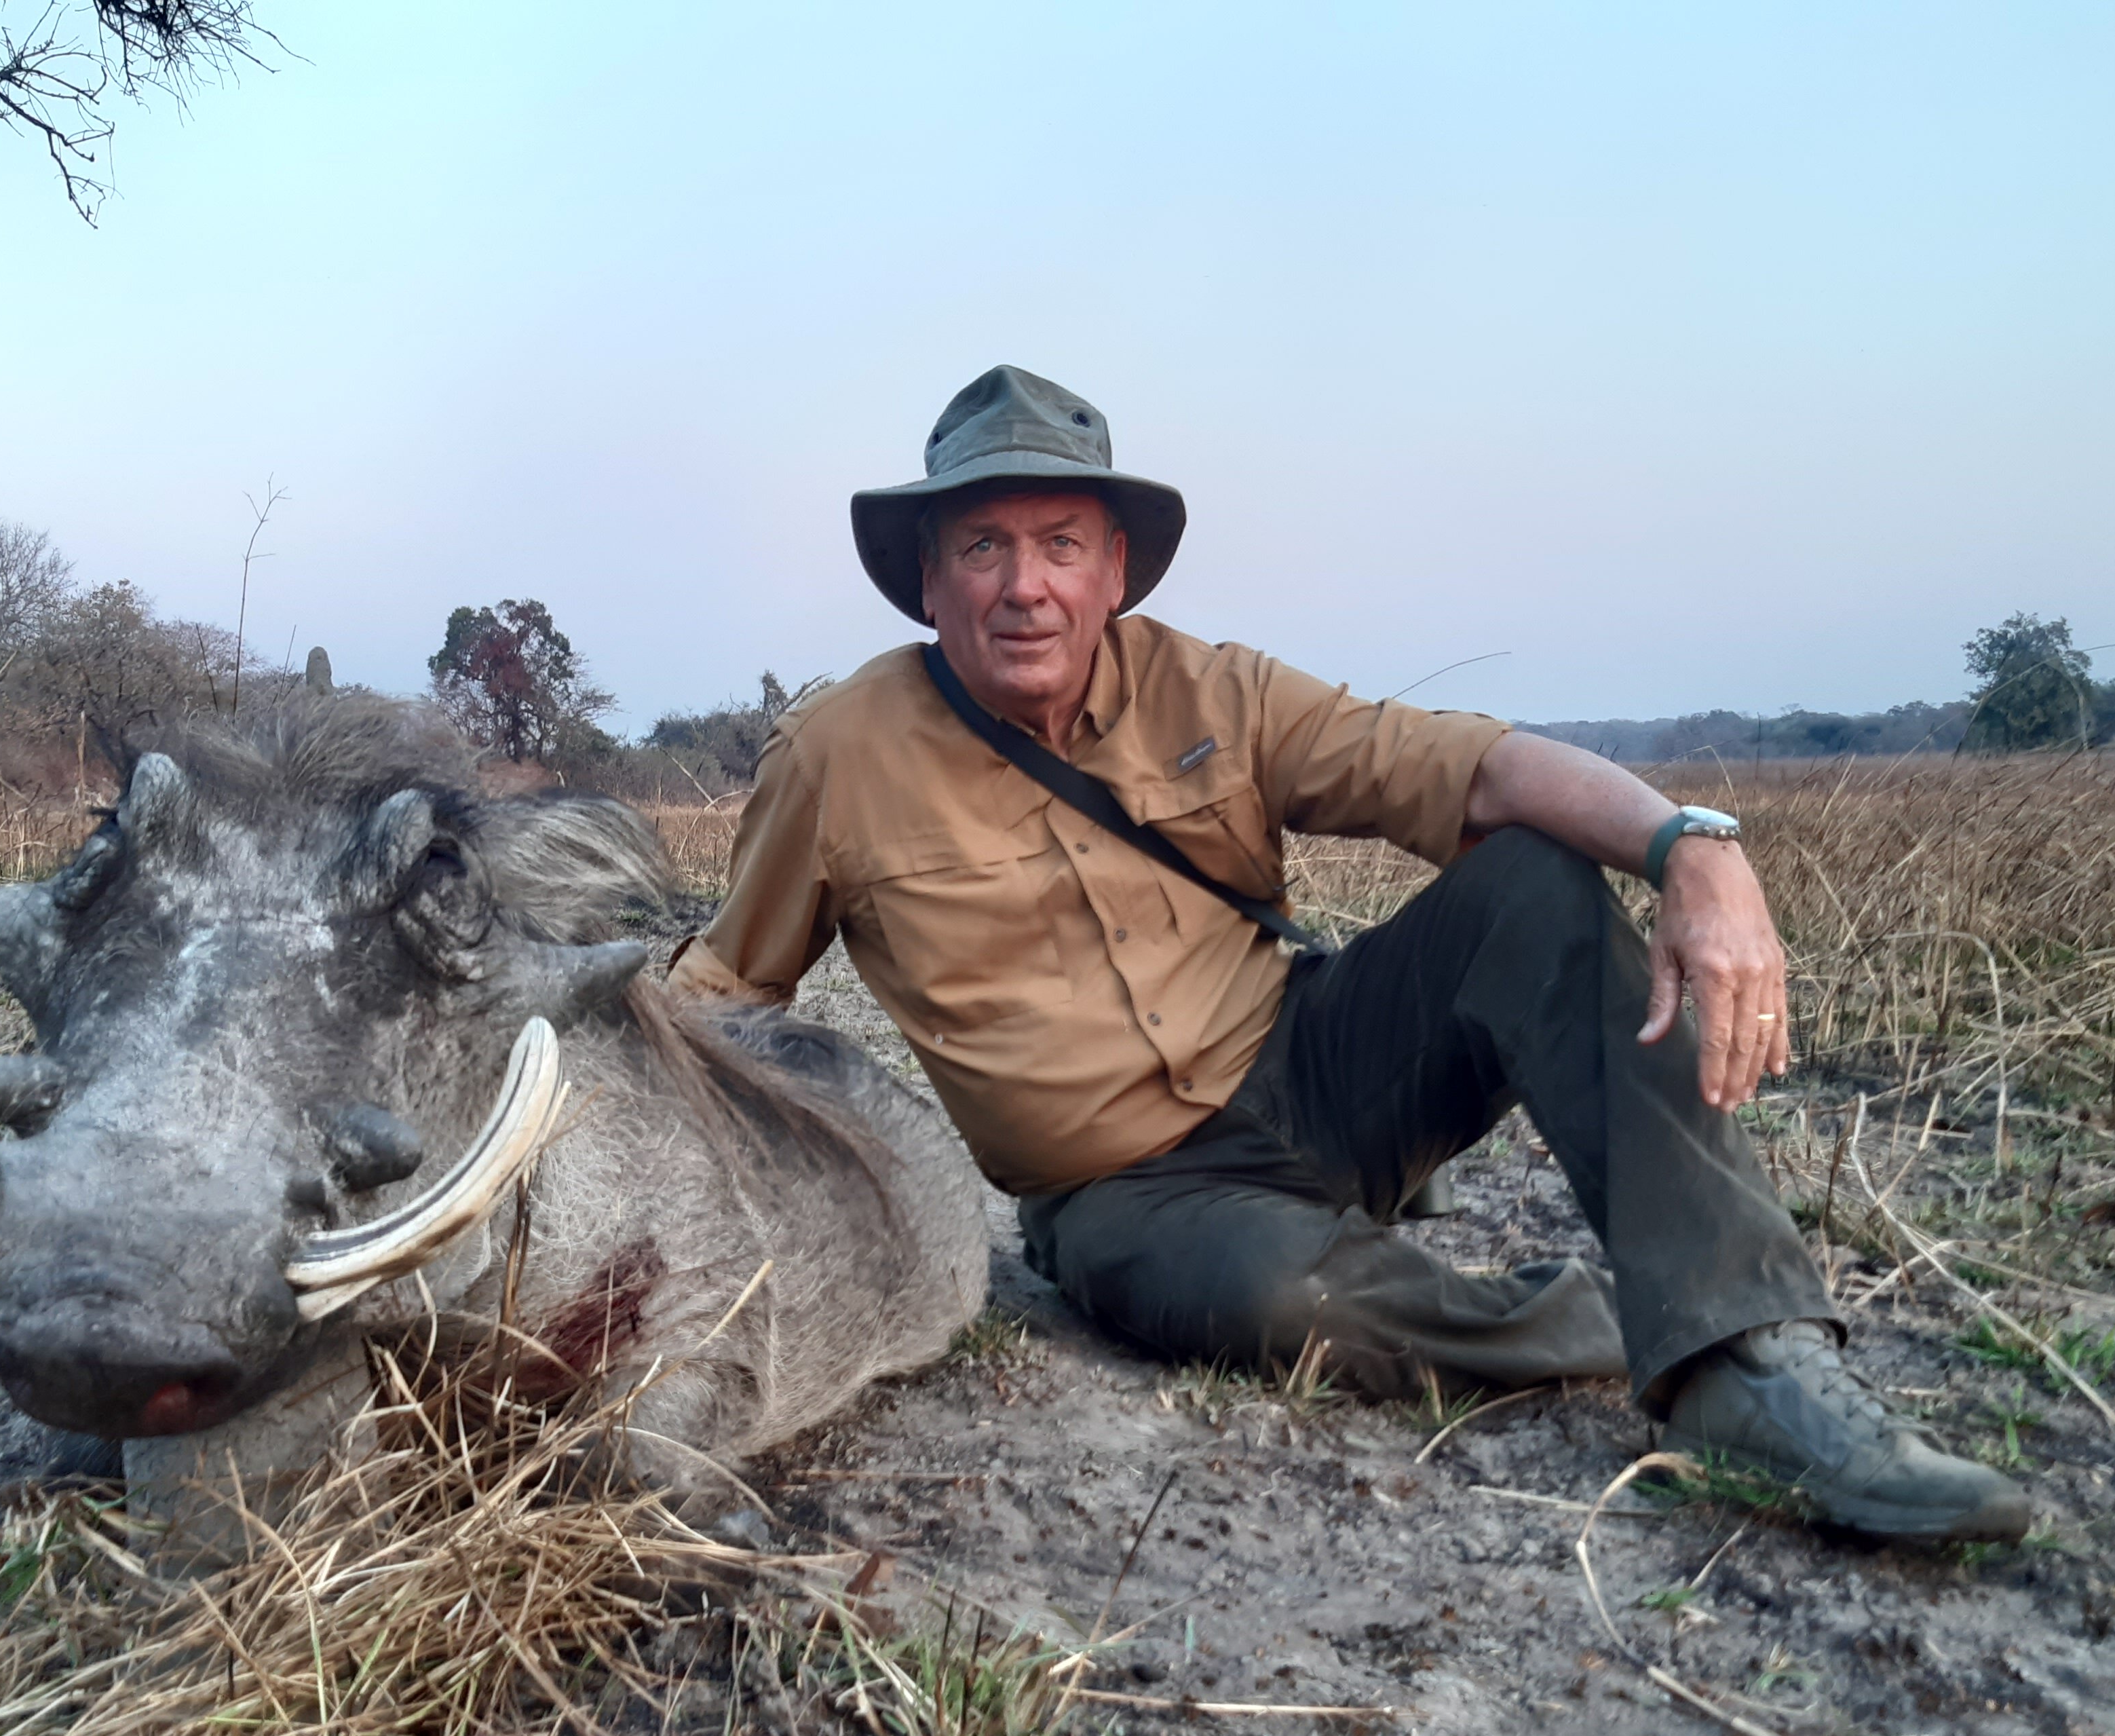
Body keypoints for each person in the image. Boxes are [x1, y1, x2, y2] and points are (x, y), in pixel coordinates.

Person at [672, 364, 2028, 1542]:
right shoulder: (834, 758)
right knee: (1280, 1296)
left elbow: (1476, 770)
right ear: (927, 578)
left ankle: (1747, 1362)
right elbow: (727, 999)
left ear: (1116, 570)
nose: (1025, 588)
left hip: (1316, 1066)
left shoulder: (1219, 689)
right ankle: (1603, 1323)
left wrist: (1694, 850)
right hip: (1131, 1200)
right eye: (981, 548)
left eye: (1062, 544)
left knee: (1539, 884)